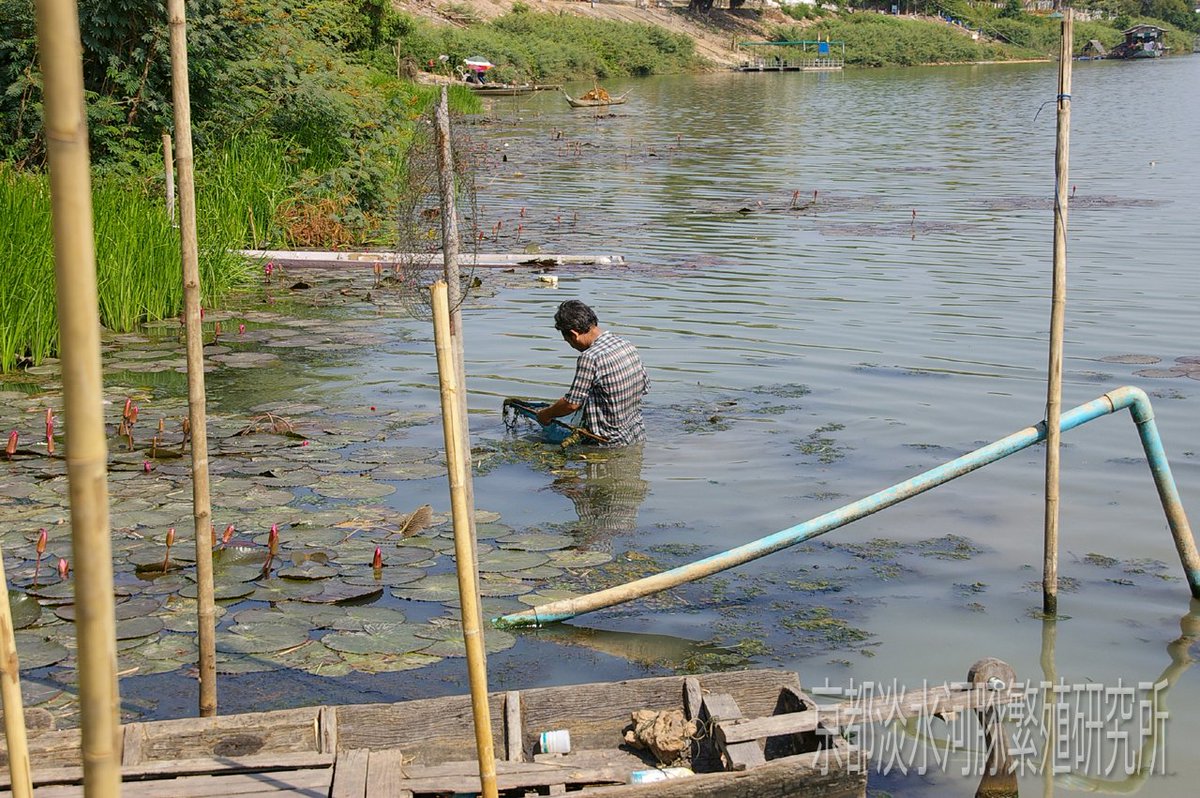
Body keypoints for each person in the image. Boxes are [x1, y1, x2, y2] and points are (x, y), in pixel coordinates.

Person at [537, 300, 648, 446]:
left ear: (573, 334)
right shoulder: (626, 344)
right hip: (636, 435)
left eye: (568, 342)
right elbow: (644, 387)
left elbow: (571, 404)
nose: (573, 347)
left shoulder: (590, 357)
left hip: (608, 443)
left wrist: (546, 414)